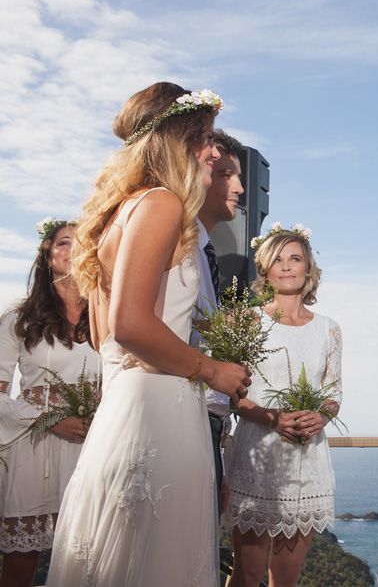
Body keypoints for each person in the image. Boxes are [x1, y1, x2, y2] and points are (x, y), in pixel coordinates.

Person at [46, 82, 252, 587]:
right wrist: (213, 370)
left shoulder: (121, 213)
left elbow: (103, 338)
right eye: (203, 136)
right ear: (174, 139)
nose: (212, 150)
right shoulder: (160, 203)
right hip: (160, 410)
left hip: (128, 405)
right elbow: (129, 325)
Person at [224, 225, 341, 587]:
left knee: (287, 578)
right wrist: (272, 419)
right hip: (257, 457)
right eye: (278, 259)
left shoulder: (329, 329)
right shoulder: (246, 321)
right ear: (266, 269)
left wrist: (320, 415)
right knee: (247, 575)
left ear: (308, 269)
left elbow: (334, 393)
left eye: (295, 258)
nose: (287, 266)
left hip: (307, 462)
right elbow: (230, 395)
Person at [0, 219, 99, 587]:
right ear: (47, 257)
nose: (71, 249)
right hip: (34, 447)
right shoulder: (19, 320)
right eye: (62, 243)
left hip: (91, 448)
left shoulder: (106, 319)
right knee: (20, 566)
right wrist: (51, 420)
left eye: (80, 242)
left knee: (87, 562)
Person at [195, 128, 245, 509]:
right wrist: (215, 371)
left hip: (209, 424)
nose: (240, 188)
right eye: (227, 174)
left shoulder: (207, 252)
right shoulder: (178, 248)